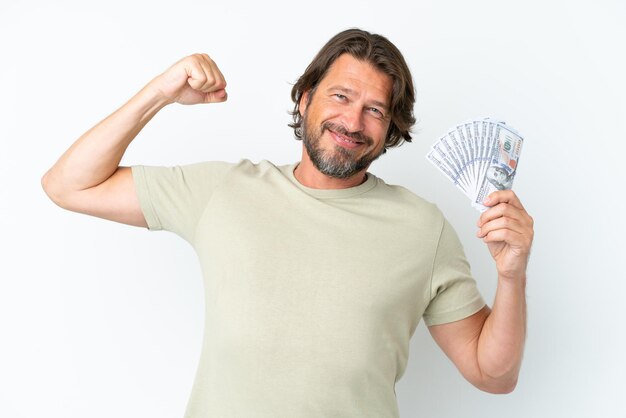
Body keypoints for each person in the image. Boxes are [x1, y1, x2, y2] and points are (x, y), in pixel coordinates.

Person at [42, 29, 534, 417]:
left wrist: (511, 275)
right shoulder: (222, 190)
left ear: (389, 131)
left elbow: (493, 375)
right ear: (304, 98)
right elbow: (68, 185)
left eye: (375, 110)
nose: (352, 121)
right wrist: (161, 92)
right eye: (340, 96)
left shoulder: (424, 229)